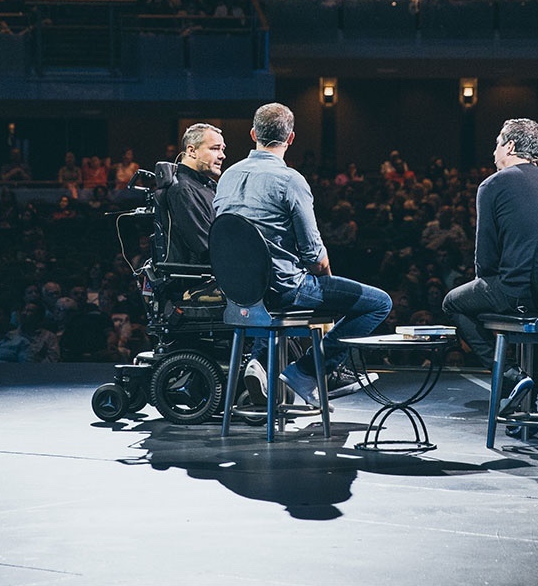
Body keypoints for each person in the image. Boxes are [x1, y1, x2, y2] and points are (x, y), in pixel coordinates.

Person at [214, 103, 391, 408]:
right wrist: (327, 285)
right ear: (291, 138)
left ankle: (260, 362)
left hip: (237, 294)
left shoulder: (227, 176)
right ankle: (309, 371)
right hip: (283, 290)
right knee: (378, 304)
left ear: (253, 134)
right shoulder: (290, 180)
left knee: (272, 290)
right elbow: (314, 256)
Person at [442, 118, 538, 420]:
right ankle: (531, 394)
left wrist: (485, 283)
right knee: (537, 307)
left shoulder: (493, 184)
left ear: (511, 146)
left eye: (497, 143)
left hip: (518, 293)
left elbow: (485, 257)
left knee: (453, 303)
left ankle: (511, 377)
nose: (494, 152)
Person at [163, 123, 226, 264]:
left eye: (222, 149)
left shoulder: (210, 186)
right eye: (215, 148)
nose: (222, 156)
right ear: (192, 151)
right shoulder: (183, 191)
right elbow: (205, 247)